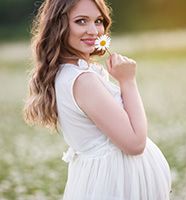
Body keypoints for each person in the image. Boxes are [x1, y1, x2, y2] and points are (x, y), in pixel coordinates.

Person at [24, 0, 171, 199]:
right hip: (113, 183)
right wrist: (128, 81)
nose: (93, 31)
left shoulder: (70, 73)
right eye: (81, 21)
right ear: (59, 25)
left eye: (98, 21)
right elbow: (135, 144)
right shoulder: (83, 81)